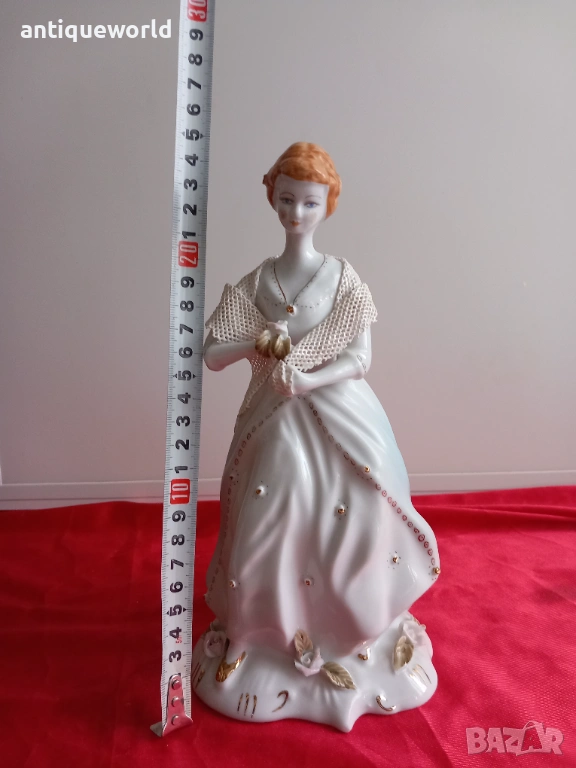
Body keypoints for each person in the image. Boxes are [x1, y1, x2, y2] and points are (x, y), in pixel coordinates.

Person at [192, 142, 440, 731]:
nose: (296, 213)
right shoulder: (259, 280)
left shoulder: (342, 279)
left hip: (341, 411)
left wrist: (308, 377)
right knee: (269, 511)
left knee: (363, 509)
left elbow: (360, 358)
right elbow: (212, 351)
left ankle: (354, 630)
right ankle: (252, 634)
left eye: (308, 202)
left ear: (327, 204)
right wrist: (257, 344)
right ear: (272, 199)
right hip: (275, 417)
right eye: (286, 200)